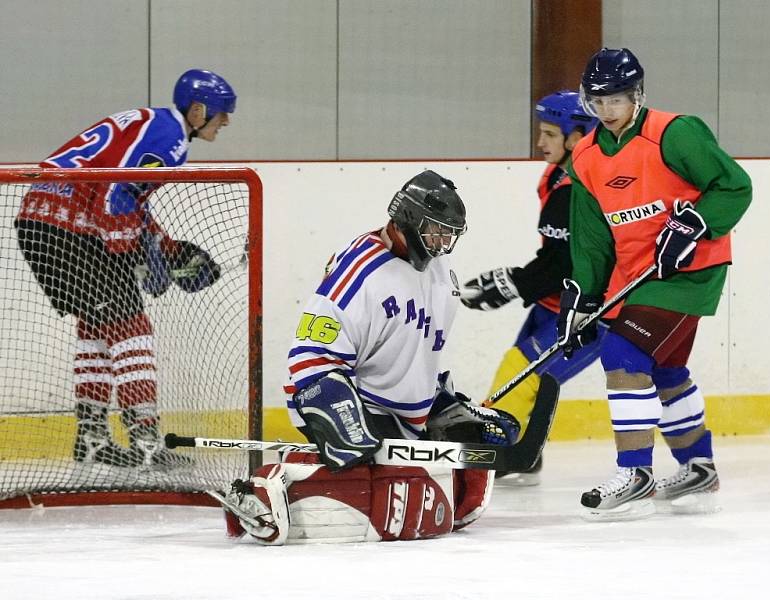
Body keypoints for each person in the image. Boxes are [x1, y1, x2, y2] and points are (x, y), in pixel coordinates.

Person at [221, 170, 521, 545]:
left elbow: (422, 351)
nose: (443, 243)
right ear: (408, 218)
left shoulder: (441, 271)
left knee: (470, 462)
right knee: (383, 485)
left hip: (403, 414)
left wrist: (445, 403)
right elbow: (309, 357)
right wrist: (343, 419)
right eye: (436, 231)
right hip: (351, 401)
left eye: (450, 235)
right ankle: (262, 492)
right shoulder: (358, 273)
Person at [558, 48, 752, 519]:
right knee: (663, 370)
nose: (607, 110)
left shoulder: (675, 133)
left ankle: (635, 471)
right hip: (637, 275)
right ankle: (698, 465)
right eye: (598, 100)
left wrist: (695, 225)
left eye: (618, 99)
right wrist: (583, 296)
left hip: (688, 272)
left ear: (637, 95)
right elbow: (592, 238)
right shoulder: (584, 156)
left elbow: (735, 186)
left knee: (623, 355)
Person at [15, 69, 237, 469]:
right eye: (222, 113)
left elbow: (129, 200)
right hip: (69, 228)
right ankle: (147, 441)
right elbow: (114, 195)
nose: (226, 122)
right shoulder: (169, 140)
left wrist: (166, 251)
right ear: (199, 109)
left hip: (42, 221)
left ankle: (93, 438)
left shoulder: (152, 122)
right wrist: (135, 256)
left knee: (96, 327)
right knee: (131, 329)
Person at [460, 91, 599, 484]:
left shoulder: (583, 188)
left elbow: (566, 263)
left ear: (578, 136)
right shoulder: (558, 175)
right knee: (520, 368)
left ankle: (499, 453)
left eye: (550, 134)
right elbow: (557, 257)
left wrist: (513, 283)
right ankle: (523, 450)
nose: (540, 143)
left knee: (521, 371)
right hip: (555, 301)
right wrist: (517, 283)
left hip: (589, 309)